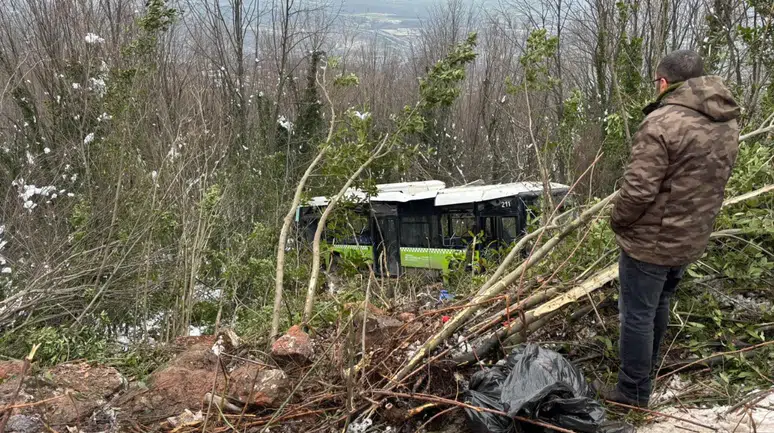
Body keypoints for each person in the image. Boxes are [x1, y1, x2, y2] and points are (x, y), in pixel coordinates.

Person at [605, 50, 741, 407]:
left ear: (663, 83)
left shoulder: (662, 123)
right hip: (691, 236)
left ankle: (633, 392)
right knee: (660, 302)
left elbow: (638, 191)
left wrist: (618, 219)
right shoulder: (726, 120)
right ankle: (647, 370)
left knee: (637, 314)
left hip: (651, 241)